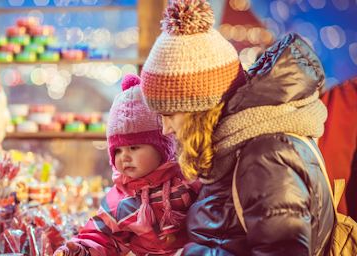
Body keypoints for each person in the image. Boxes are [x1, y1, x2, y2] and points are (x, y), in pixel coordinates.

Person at [139, 0, 335, 255]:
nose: (166, 129)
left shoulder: (265, 157)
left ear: (201, 109)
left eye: (170, 114)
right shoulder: (233, 147)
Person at [54, 74, 202, 256]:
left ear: (162, 147)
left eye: (134, 147)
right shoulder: (119, 199)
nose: (124, 157)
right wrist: (82, 250)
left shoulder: (187, 178)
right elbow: (103, 236)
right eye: (118, 151)